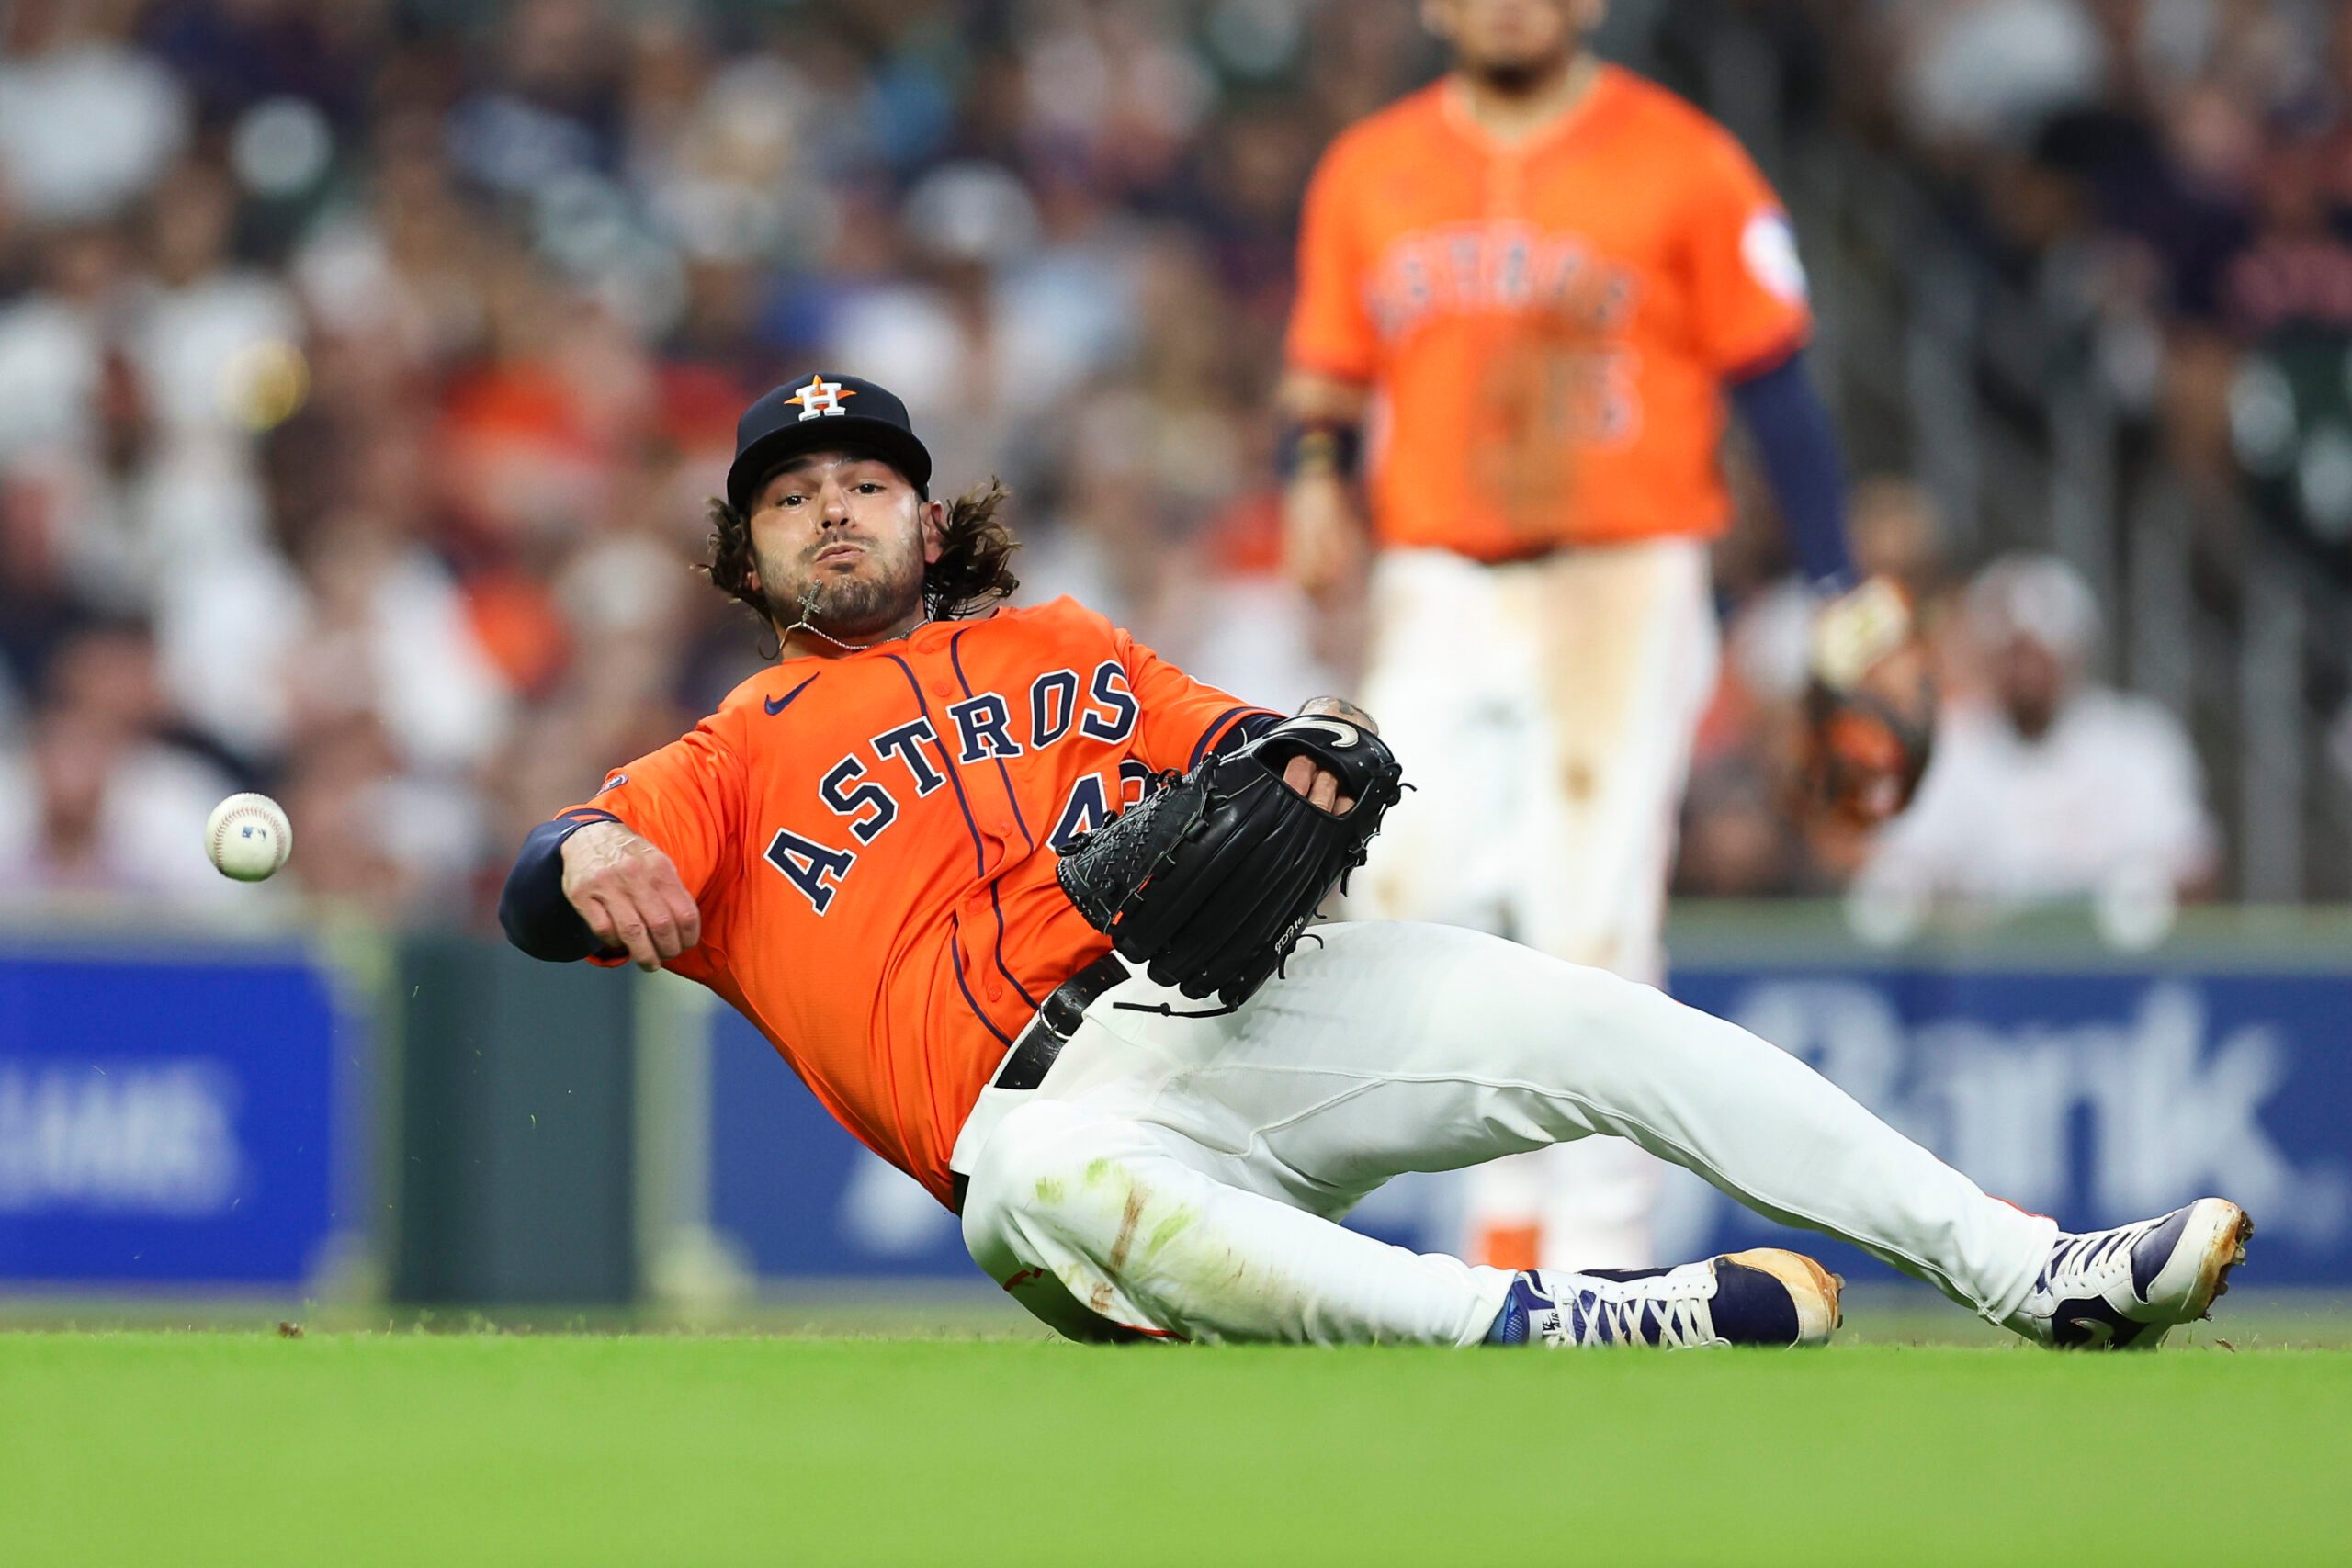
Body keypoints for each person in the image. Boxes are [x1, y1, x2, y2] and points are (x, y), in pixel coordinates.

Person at [498, 373, 2249, 1349]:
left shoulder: (1069, 648)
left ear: (928, 521)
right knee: (1034, 1175)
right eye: (792, 487)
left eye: (866, 478)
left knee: (1608, 1022)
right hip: (1059, 1130)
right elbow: (545, 872)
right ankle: (1555, 1319)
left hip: (1226, 1009)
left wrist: (1313, 752)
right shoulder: (720, 760)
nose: (832, 504)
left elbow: (1263, 745)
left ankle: (2034, 1269)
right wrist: (577, 855)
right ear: (744, 550)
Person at [1279, 0, 1886, 1272]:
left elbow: (1773, 374)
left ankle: (1601, 1250)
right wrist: (1314, 474)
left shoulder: (1683, 157)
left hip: (1622, 570)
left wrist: (1838, 578)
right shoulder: (1369, 167)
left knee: (1590, 921)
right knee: (1406, 900)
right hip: (1438, 574)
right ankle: (1500, 1232)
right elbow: (1327, 370)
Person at [1854, 553, 2216, 939]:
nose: (2024, 666)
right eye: (2010, 649)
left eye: (2039, 647)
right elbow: (1899, 868)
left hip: (2111, 977)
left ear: (2074, 651)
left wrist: (2135, 894)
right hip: (1983, 968)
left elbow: (2192, 867)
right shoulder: (1951, 743)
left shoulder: (2137, 742)